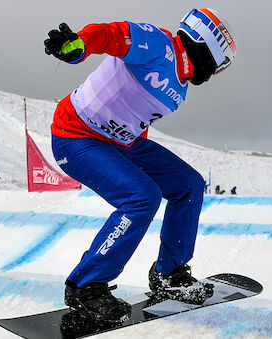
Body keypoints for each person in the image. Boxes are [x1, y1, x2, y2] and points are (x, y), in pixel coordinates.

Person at [44, 8, 236, 323]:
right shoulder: (159, 44)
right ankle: (85, 286)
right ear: (209, 47)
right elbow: (110, 34)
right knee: (141, 197)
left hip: (121, 143)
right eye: (220, 63)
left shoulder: (181, 84)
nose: (217, 72)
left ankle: (169, 275)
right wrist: (79, 45)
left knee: (188, 185)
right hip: (75, 136)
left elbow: (134, 115)